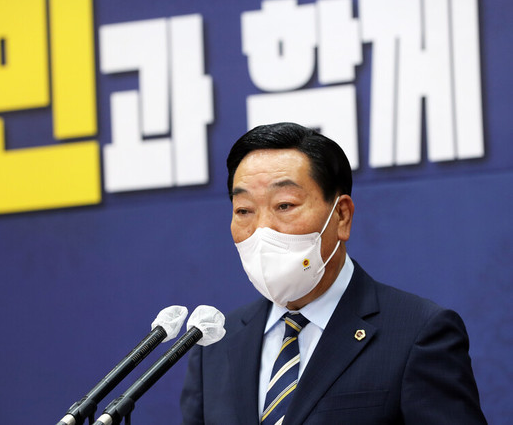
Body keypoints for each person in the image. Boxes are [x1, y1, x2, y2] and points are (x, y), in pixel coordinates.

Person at [180, 122, 486, 424]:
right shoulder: (215, 343)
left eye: (284, 205)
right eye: (244, 210)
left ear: (341, 216)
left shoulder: (418, 332)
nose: (262, 230)